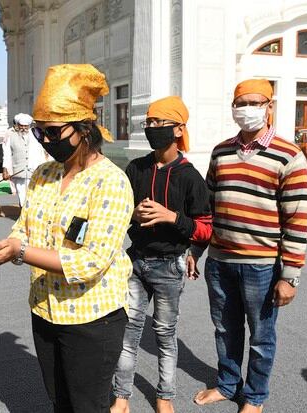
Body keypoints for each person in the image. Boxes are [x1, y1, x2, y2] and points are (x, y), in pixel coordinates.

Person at [0, 64, 134, 412]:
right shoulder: (44, 173)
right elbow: (25, 226)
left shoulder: (111, 181)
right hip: (44, 310)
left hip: (91, 318)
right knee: (59, 401)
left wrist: (19, 251)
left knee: (87, 405)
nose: (45, 141)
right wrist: (7, 244)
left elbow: (89, 262)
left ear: (85, 129)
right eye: (40, 133)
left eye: (54, 132)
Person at [193, 79, 307, 413]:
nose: (247, 110)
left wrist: (290, 276)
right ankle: (229, 384)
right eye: (241, 103)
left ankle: (255, 396)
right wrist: (197, 251)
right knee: (225, 329)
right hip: (220, 261)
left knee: (261, 336)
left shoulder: (289, 156)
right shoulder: (221, 151)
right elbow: (208, 208)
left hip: (261, 265)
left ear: (270, 107)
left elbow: (297, 220)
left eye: (255, 103)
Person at [110, 97, 212, 413]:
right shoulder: (136, 167)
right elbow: (117, 212)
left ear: (179, 129)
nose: (152, 128)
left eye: (159, 123)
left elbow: (206, 229)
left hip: (171, 265)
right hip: (136, 261)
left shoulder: (190, 175)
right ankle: (121, 396)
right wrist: (133, 215)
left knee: (165, 336)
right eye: (149, 123)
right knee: (128, 333)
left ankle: (165, 396)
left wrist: (171, 217)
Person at [2, 113, 50, 206]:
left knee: (35, 197)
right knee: (22, 197)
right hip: (19, 172)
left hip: (35, 172)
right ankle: (23, 218)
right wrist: (5, 170)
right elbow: (7, 155)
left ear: (29, 126)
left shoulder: (37, 137)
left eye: (26, 126)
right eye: (21, 126)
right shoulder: (11, 137)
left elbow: (44, 152)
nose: (23, 128)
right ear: (17, 125)